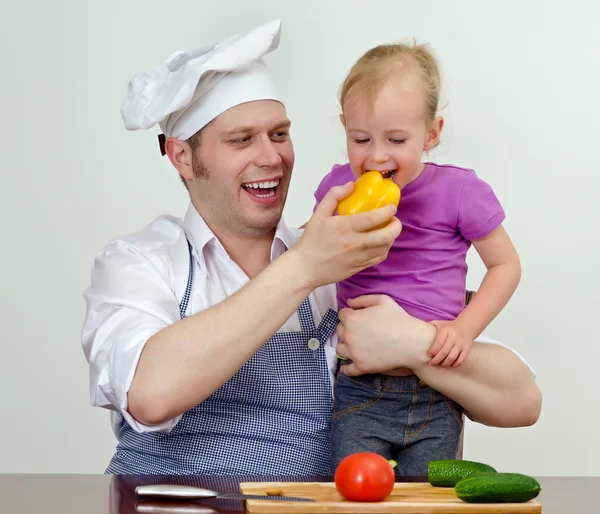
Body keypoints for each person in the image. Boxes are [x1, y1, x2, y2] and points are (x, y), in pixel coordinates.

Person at [81, 20, 541, 476]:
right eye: (242, 139)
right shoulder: (139, 264)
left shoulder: (347, 254)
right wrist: (303, 268)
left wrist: (413, 344)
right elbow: (149, 392)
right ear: (182, 156)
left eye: (279, 134)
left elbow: (522, 401)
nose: (271, 157)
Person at [314, 41, 527, 475]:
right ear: (344, 128)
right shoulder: (338, 189)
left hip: (436, 385)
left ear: (431, 133)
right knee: (355, 492)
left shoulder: (460, 191)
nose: (376, 155)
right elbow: (311, 255)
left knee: (429, 496)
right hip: (359, 382)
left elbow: (506, 265)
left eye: (396, 139)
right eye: (360, 138)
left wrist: (464, 329)